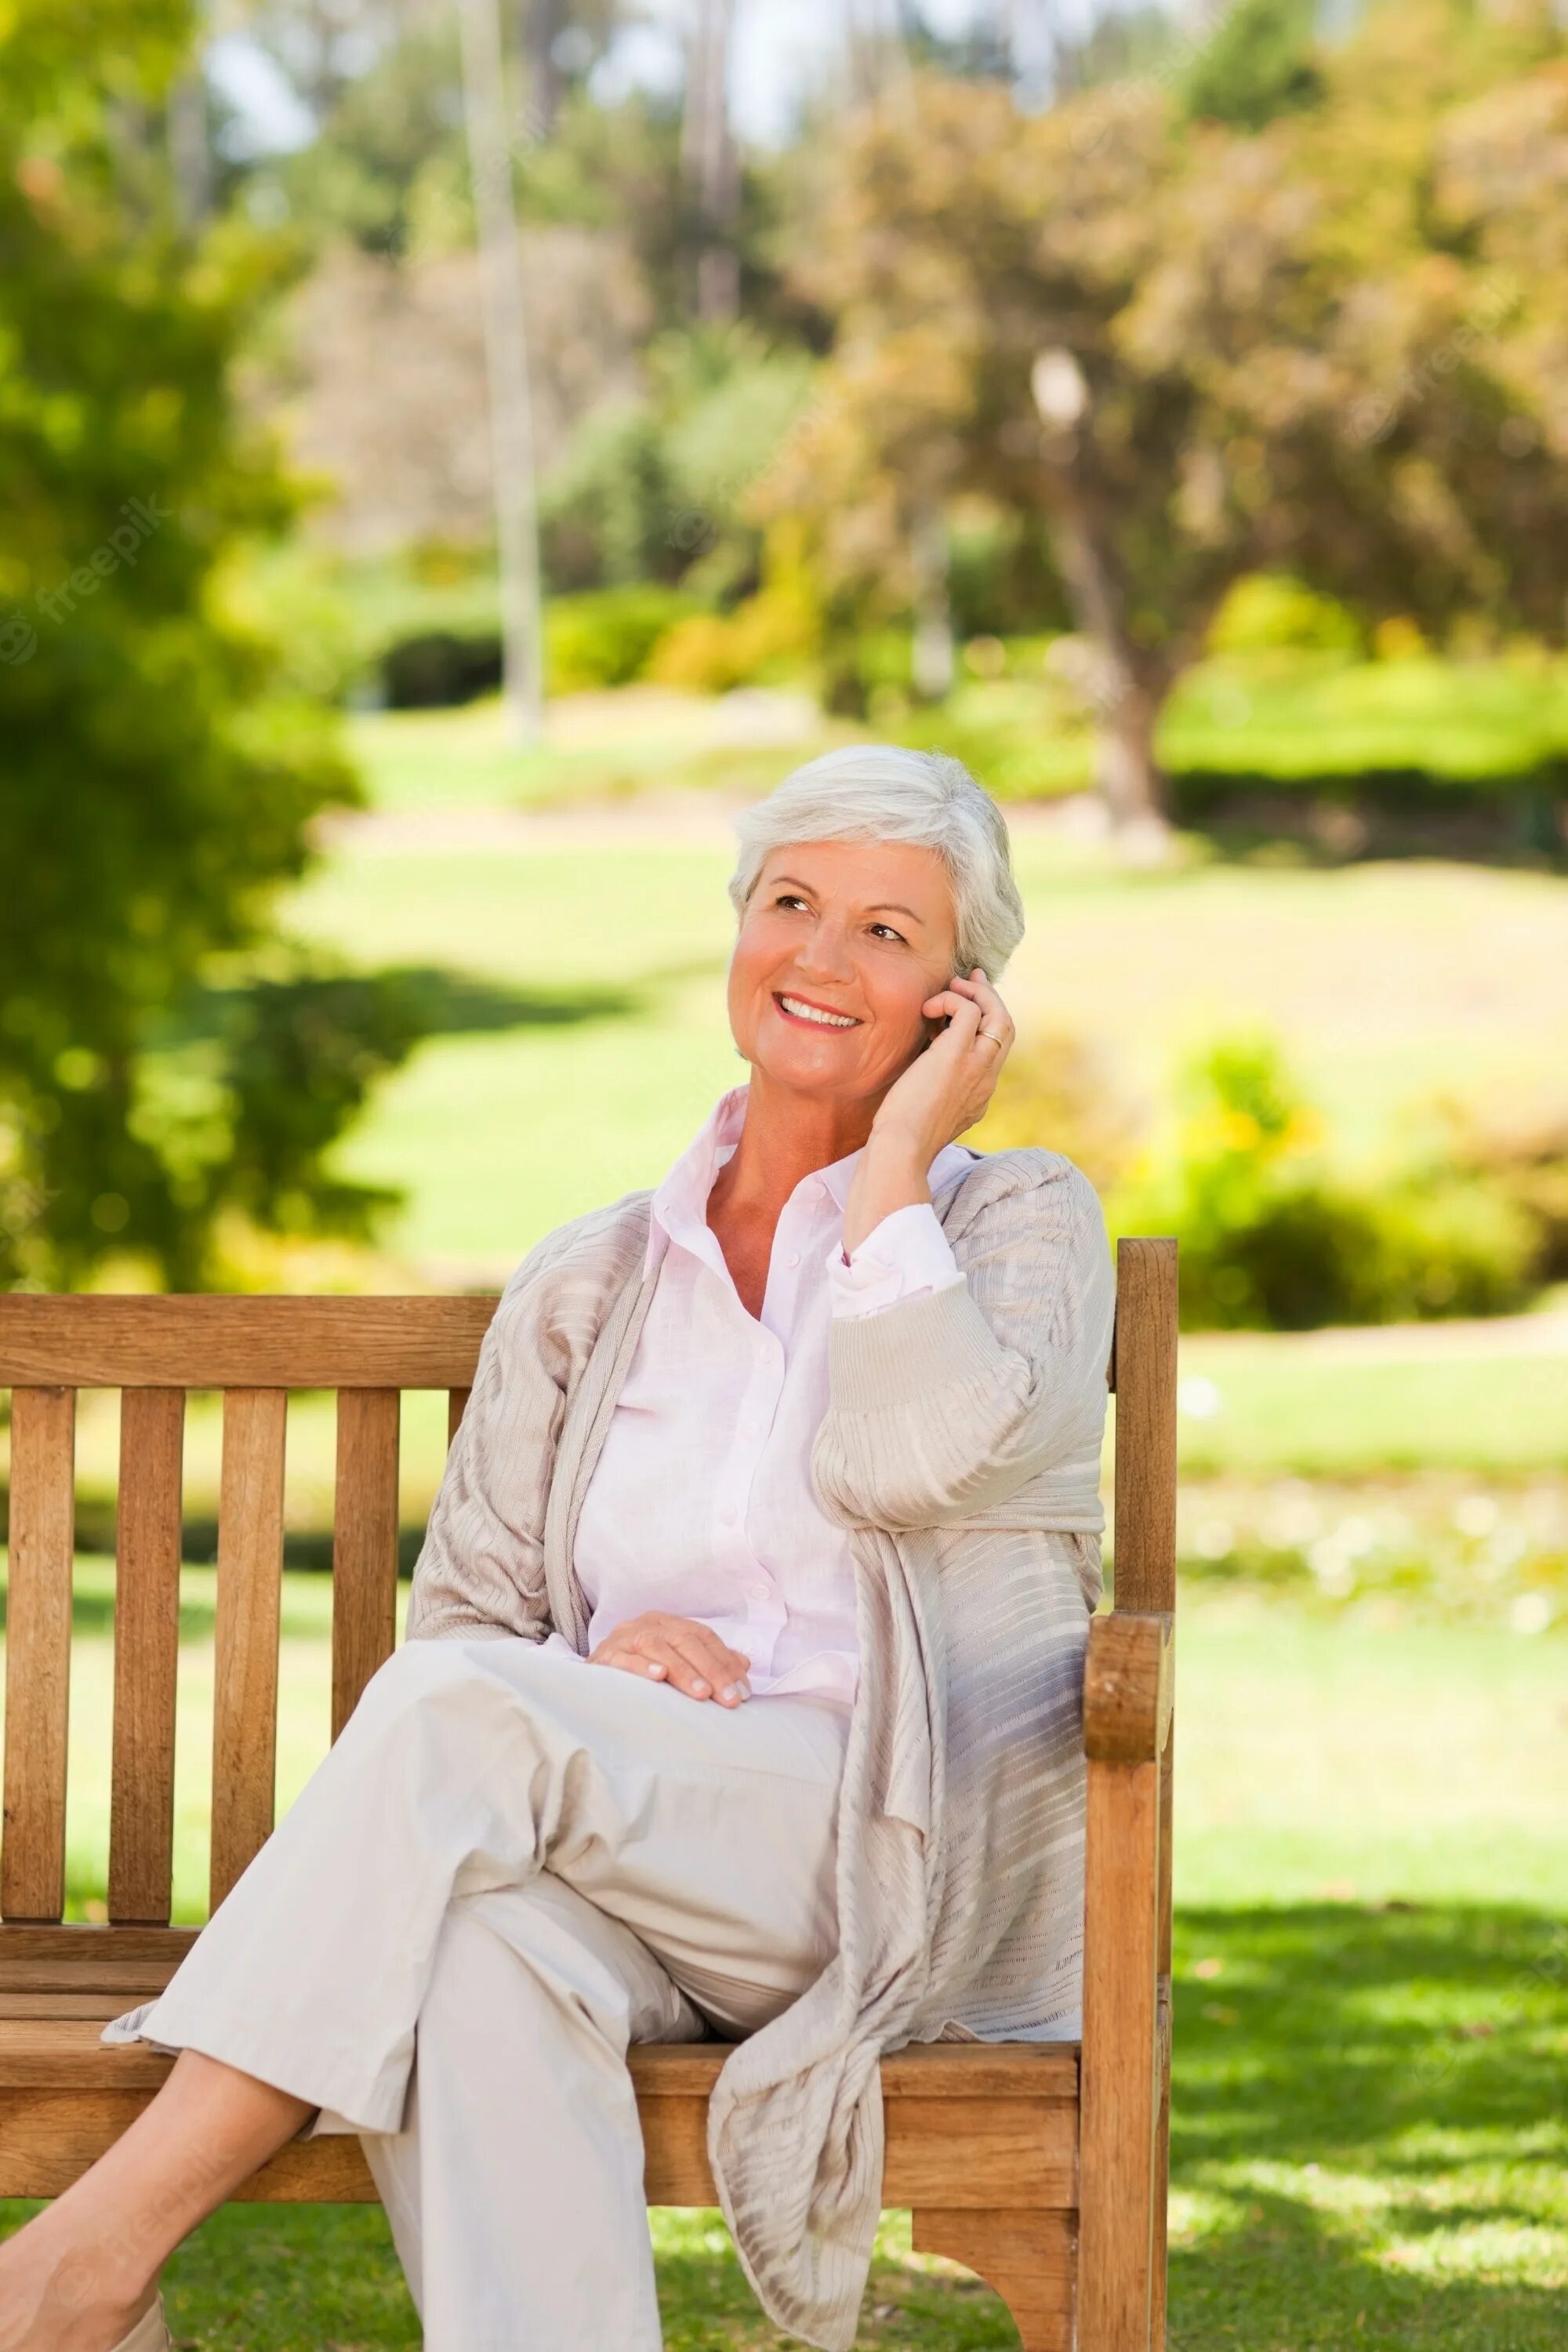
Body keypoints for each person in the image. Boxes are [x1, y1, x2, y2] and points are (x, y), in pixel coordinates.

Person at [0, 743, 1113, 2352]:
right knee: (475, 1959)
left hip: (877, 1854)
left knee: (476, 1716)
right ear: (738, 928)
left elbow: (907, 1457)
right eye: (791, 903)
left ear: (963, 999)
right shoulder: (597, 1277)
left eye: (887, 931)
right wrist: (594, 1673)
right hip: (620, 1852)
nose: (819, 955)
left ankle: (74, 2272)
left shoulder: (1011, 1226)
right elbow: (468, 1621)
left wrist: (888, 1177)